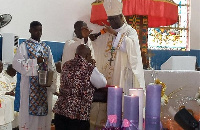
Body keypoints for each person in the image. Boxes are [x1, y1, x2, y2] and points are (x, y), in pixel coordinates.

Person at [92, 0, 145, 94]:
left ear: (121, 17)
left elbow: (130, 48)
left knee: (122, 101)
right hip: (107, 73)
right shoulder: (106, 32)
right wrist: (93, 40)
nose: (111, 22)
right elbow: (98, 50)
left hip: (123, 73)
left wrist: (115, 34)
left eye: (114, 19)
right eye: (109, 19)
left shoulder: (130, 31)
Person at [12, 21, 56, 130]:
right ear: (30, 30)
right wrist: (35, 61)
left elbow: (52, 67)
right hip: (29, 88)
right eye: (36, 30)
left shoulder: (46, 47)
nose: (38, 33)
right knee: (29, 117)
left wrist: (51, 82)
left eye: (40, 30)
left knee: (43, 117)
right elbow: (17, 63)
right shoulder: (24, 46)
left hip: (44, 88)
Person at [53, 44, 107, 130]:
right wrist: (93, 66)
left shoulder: (66, 65)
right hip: (78, 116)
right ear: (87, 56)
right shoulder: (89, 67)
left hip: (60, 112)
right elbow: (102, 83)